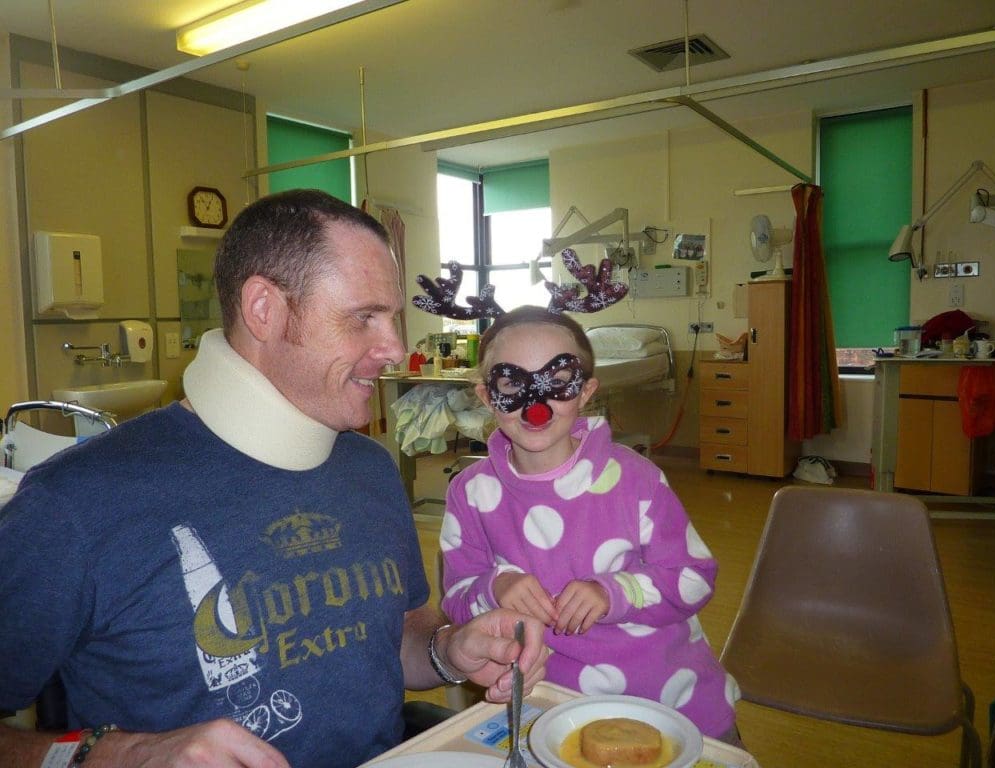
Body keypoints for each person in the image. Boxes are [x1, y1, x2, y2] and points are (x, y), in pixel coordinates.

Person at [0, 189, 547, 768]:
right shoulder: (75, 505)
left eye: (393, 318)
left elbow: (400, 638)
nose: (394, 349)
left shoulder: (371, 469)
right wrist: (119, 755)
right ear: (264, 309)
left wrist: (448, 650)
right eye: (364, 318)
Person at [439, 306, 739, 743]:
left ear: (585, 392)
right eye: (512, 383)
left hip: (674, 701)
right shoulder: (469, 493)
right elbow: (457, 600)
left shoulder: (638, 479)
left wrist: (614, 591)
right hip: (555, 712)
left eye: (558, 382)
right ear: (487, 396)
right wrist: (496, 587)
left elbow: (693, 578)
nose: (535, 403)